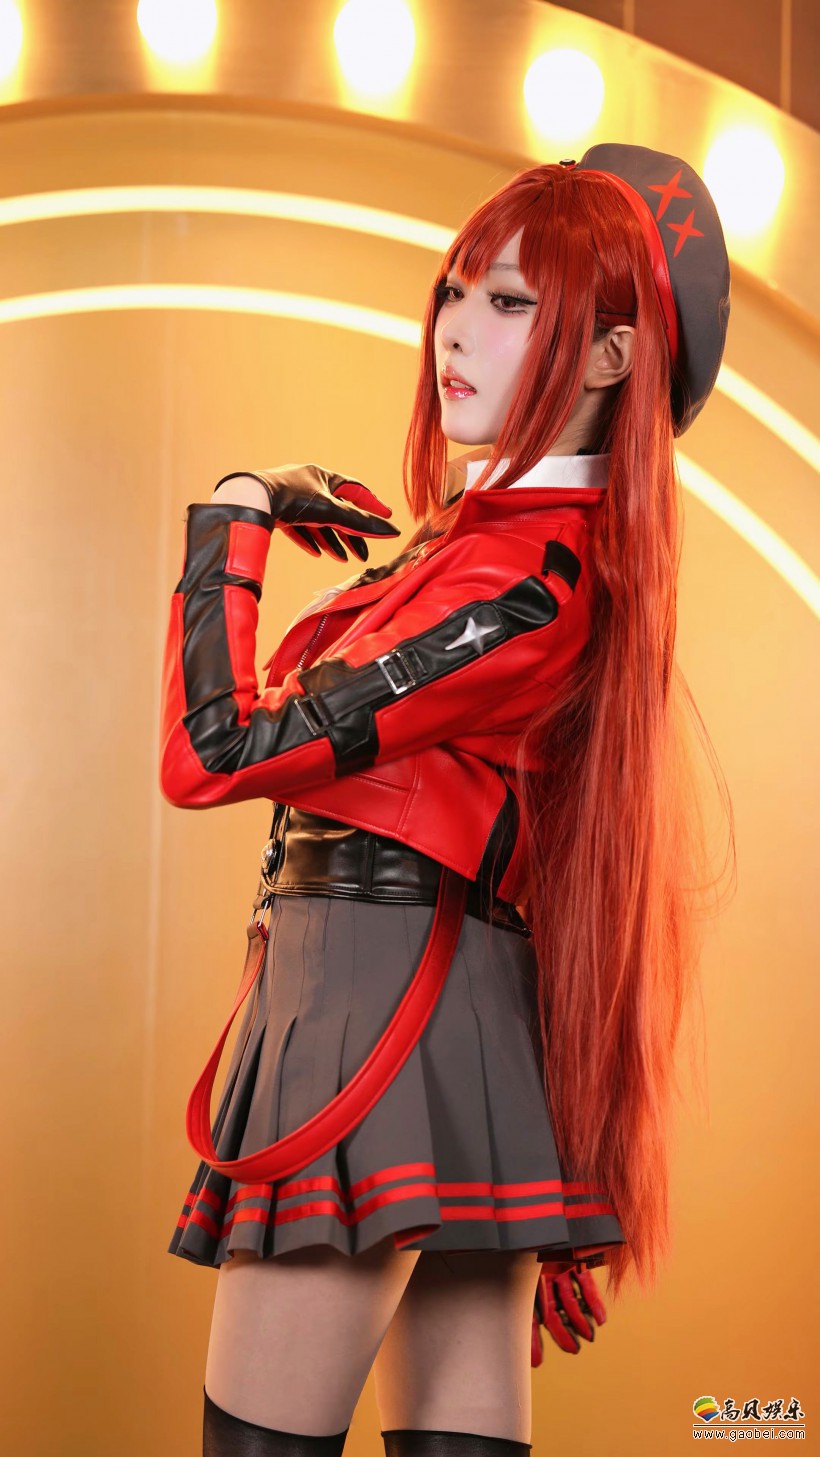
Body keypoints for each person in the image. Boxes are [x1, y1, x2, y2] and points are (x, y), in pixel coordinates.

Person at [159, 143, 734, 1456]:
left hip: (379, 1009)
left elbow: (213, 751)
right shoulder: (484, 552)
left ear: (611, 357)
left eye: (513, 302)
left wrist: (233, 516)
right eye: (457, 291)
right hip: (412, 1000)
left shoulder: (525, 580)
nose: (456, 331)